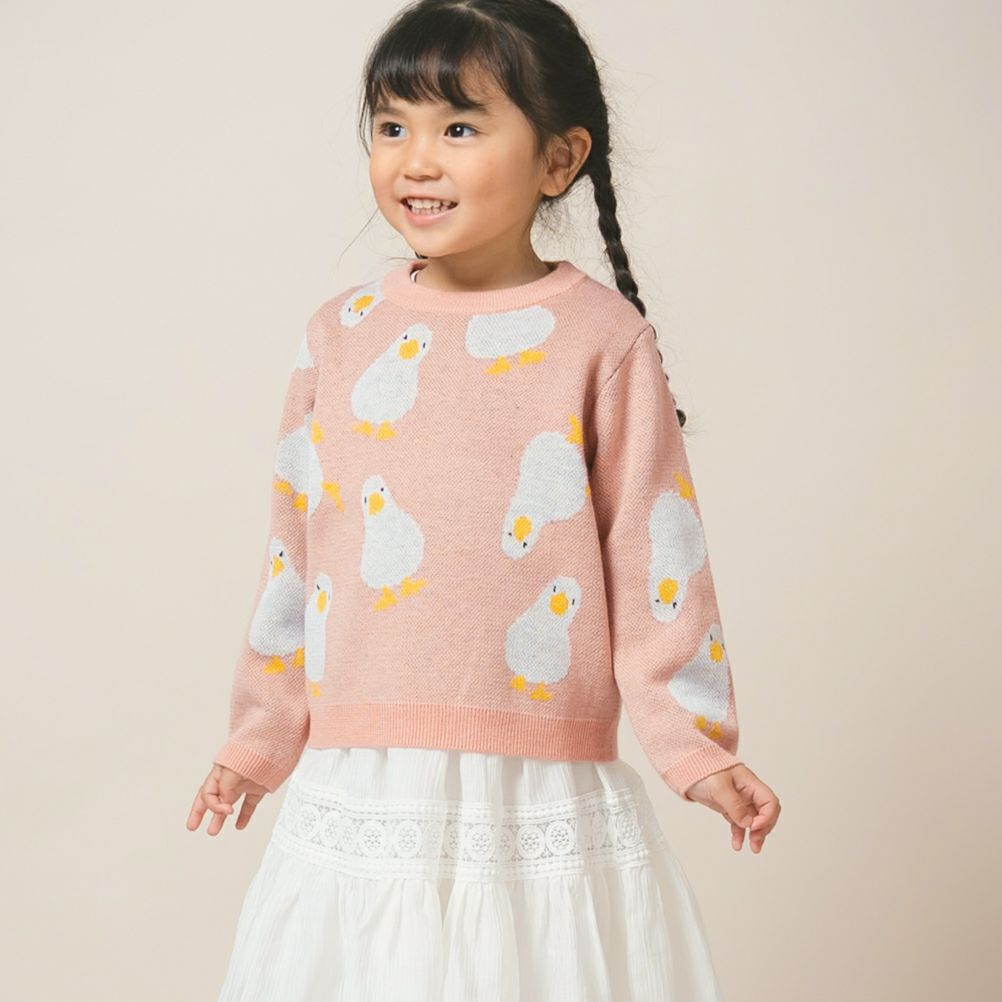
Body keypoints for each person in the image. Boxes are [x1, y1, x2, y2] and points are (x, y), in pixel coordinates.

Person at [186, 1, 781, 998]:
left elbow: (657, 553)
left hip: (534, 780)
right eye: (392, 126)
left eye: (459, 127)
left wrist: (695, 748)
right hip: (368, 772)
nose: (416, 160)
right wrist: (260, 733)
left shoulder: (602, 341)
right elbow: (298, 550)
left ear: (560, 158)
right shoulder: (340, 335)